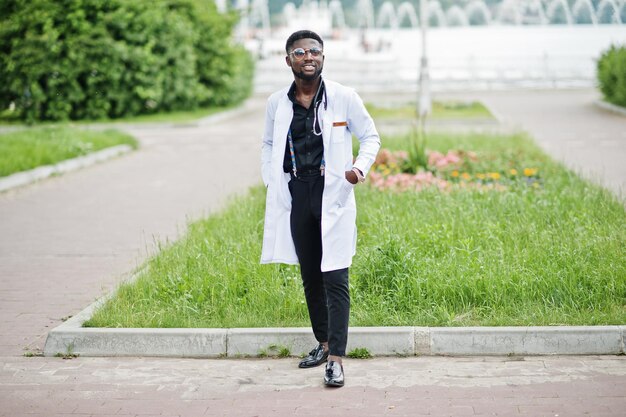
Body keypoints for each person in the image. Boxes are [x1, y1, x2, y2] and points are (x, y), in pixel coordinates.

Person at [260, 30, 380, 387]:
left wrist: (358, 169)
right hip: (298, 190)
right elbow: (268, 144)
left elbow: (371, 136)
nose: (308, 56)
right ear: (288, 60)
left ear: (323, 58)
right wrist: (272, 179)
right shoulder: (276, 103)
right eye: (299, 52)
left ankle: (337, 359)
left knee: (335, 276)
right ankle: (323, 344)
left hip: (335, 191)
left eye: (314, 51)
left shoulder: (344, 96)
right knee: (310, 274)